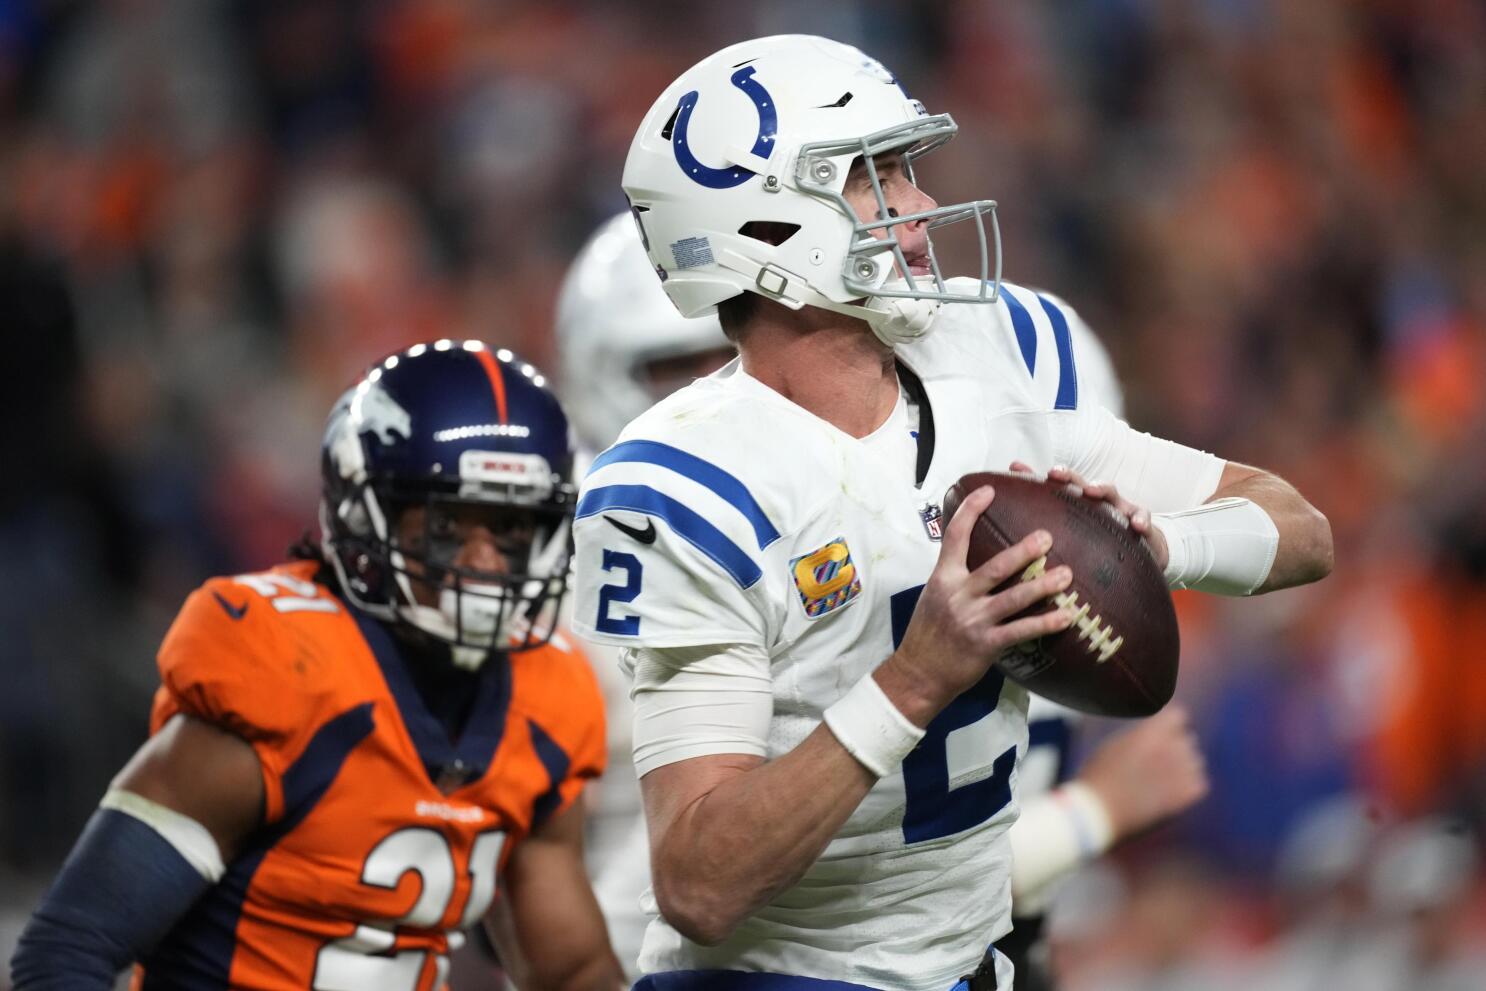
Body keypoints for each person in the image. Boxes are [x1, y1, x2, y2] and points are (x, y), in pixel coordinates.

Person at [569, 34, 1332, 991]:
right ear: (765, 226)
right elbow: (697, 882)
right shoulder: (692, 481)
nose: (920, 204)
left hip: (972, 966)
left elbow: (1301, 528)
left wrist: (1159, 544)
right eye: (873, 178)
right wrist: (916, 677)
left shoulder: (991, 349)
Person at [11, 341, 626, 990]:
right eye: (449, 525)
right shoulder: (286, 671)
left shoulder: (548, 697)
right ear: (364, 513)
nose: (485, 562)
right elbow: (67, 948)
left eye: (510, 529)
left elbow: (573, 973)